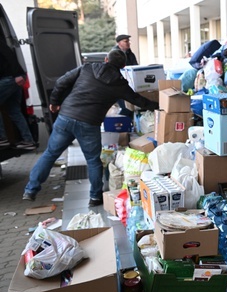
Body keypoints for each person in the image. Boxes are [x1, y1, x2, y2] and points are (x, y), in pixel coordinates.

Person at [22, 50, 159, 206]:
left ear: (106, 59)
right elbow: (139, 101)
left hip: (66, 117)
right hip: (89, 123)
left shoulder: (87, 68)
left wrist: (55, 101)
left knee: (51, 153)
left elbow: (61, 82)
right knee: (93, 161)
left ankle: (31, 189)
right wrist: (160, 105)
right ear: (123, 66)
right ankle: (95, 197)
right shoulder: (120, 84)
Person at [0, 36, 37, 150]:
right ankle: (28, 140)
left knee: (14, 110)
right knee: (14, 110)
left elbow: (10, 57)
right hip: (14, 79)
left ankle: (2, 138)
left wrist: (17, 74)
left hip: (10, 79)